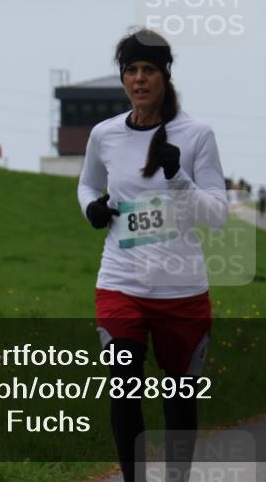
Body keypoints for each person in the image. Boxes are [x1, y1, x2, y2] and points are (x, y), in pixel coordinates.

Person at [77, 28, 228, 482]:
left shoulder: (197, 135)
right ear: (123, 78)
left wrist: (176, 176)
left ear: (165, 75)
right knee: (123, 390)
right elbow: (86, 182)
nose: (139, 79)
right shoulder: (104, 134)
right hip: (121, 282)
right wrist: (93, 208)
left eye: (148, 70)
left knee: (179, 399)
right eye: (131, 71)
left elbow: (218, 214)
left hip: (181, 288)